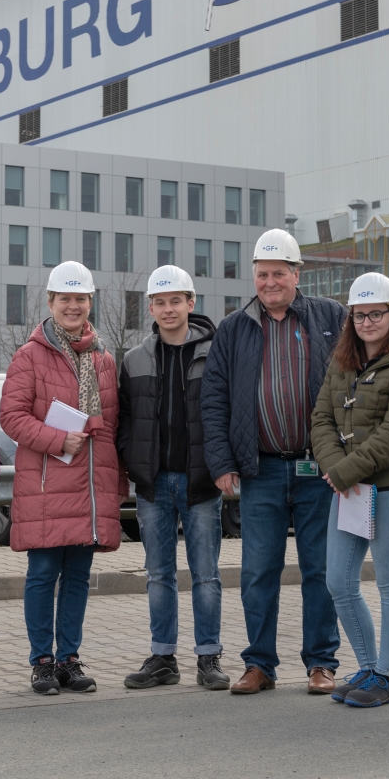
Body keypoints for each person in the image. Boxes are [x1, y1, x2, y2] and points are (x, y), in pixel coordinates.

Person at [202, 228, 347, 695]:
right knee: (258, 572)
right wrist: (222, 462)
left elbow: (355, 384)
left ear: (296, 273)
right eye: (262, 274)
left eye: (278, 273)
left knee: (320, 570)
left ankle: (321, 662)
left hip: (319, 469)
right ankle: (259, 664)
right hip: (260, 470)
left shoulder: (330, 317)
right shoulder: (233, 328)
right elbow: (214, 399)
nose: (269, 282)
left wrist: (347, 456)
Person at [0, 261, 125, 695]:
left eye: (81, 299)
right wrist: (58, 439)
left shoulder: (103, 358)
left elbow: (112, 428)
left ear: (90, 302)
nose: (73, 306)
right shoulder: (29, 356)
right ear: (51, 302)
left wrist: (115, 485)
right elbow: (11, 417)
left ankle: (69, 659)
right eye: (65, 299)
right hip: (48, 485)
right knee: (43, 573)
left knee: (77, 576)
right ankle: (42, 661)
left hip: (89, 487)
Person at [312, 272, 389, 708]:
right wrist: (336, 467)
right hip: (348, 487)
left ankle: (385, 676)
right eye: (359, 315)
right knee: (339, 581)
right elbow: (321, 417)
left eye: (376, 313)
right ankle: (366, 667)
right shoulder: (342, 360)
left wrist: (345, 471)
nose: (367, 322)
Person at [117, 265, 228, 691]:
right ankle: (163, 657)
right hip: (154, 484)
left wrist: (220, 466)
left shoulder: (216, 354)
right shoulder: (135, 359)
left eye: (176, 301)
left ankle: (208, 657)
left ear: (190, 303)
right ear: (151, 307)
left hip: (201, 483)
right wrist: (133, 463)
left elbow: (227, 413)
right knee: (159, 575)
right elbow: (126, 420)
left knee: (206, 575)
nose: (168, 309)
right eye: (160, 302)